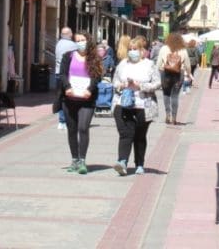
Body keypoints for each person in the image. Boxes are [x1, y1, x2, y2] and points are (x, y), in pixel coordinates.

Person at [111, 37, 161, 176]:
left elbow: (157, 83)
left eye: (135, 49)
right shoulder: (123, 64)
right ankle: (122, 162)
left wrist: (140, 85)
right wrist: (121, 85)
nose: (132, 52)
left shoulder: (149, 65)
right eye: (130, 49)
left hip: (143, 104)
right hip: (122, 103)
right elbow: (115, 81)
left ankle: (139, 163)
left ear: (142, 50)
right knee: (125, 133)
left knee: (140, 135)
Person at [58, 32, 104, 174]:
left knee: (83, 128)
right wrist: (67, 87)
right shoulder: (68, 56)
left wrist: (90, 89)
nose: (80, 43)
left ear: (88, 41)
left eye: (82, 40)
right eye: (77, 40)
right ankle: (75, 159)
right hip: (70, 98)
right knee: (72, 129)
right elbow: (62, 74)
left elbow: (96, 76)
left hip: (86, 100)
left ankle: (82, 160)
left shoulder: (94, 58)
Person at [155, 32, 190, 125]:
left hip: (165, 73)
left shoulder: (164, 48)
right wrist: (189, 74)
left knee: (166, 94)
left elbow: (158, 63)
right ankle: (174, 117)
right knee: (175, 96)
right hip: (179, 74)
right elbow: (187, 64)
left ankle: (168, 114)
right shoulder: (183, 49)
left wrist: (157, 73)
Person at [53, 27, 78, 130]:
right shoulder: (72, 45)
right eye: (71, 33)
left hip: (57, 73)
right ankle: (67, 120)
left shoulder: (58, 44)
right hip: (67, 75)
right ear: (69, 34)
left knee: (60, 96)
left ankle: (61, 121)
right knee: (69, 98)